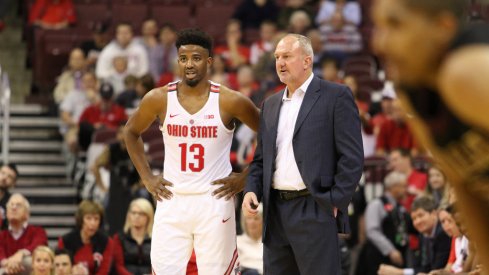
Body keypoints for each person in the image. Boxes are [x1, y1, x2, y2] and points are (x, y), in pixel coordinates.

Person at [123, 28, 260, 274]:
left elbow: (270, 135)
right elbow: (130, 132)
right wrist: (147, 177)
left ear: (209, 61)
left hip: (215, 200)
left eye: (196, 58)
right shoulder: (159, 98)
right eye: (184, 58)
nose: (189, 64)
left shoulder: (230, 100)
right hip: (171, 199)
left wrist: (247, 176)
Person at [371, 0, 489, 266]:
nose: (380, 43)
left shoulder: (468, 70)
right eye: (379, 27)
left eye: (396, 24)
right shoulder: (413, 90)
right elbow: (465, 185)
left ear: (443, 27)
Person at [243, 33, 363, 274]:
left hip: (314, 207)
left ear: (307, 60)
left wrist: (334, 201)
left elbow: (352, 158)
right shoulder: (270, 104)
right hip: (275, 212)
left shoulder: (335, 96)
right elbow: (260, 159)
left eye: (287, 56)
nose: (280, 63)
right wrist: (251, 189)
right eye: (277, 57)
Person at [377, 196, 451, 275]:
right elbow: (423, 267)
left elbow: (434, 269)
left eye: (420, 215)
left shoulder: (443, 233)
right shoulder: (423, 235)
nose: (417, 222)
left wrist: (399, 272)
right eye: (414, 219)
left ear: (433, 214)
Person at [355, 171, 411, 275]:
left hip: (395, 259)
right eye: (404, 186)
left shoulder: (400, 208)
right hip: (377, 259)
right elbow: (372, 231)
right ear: (394, 187)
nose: (406, 190)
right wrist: (390, 250)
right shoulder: (376, 204)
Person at [58, 200, 113, 275]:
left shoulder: (106, 242)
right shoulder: (66, 241)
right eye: (88, 218)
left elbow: (104, 271)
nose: (92, 223)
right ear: (81, 220)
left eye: (96, 219)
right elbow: (60, 267)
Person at [0, 193, 48, 275]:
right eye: (11, 205)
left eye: (18, 205)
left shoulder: (38, 231)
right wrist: (9, 263)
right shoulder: (1, 235)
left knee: (28, 261)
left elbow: (40, 246)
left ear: (27, 214)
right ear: (6, 213)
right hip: (6, 271)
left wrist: (21, 253)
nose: (14, 207)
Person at [112, 198, 153, 275]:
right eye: (133, 213)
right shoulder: (119, 238)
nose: (136, 216)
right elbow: (118, 266)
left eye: (141, 214)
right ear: (129, 215)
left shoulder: (155, 239)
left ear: (148, 217)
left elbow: (158, 264)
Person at [237, 204, 263, 275]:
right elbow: (235, 269)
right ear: (244, 221)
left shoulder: (269, 243)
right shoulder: (237, 242)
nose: (252, 222)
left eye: (256, 218)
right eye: (249, 218)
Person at [0, 163, 18, 229]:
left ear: (13, 183)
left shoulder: (13, 203)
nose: (4, 178)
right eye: (2, 173)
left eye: (9, 177)